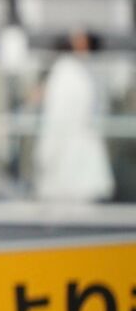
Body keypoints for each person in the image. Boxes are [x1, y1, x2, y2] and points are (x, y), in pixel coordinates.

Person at [35, 28, 114, 203]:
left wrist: (46, 152)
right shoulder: (76, 71)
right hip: (73, 153)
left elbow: (57, 117)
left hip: (70, 155)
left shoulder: (68, 72)